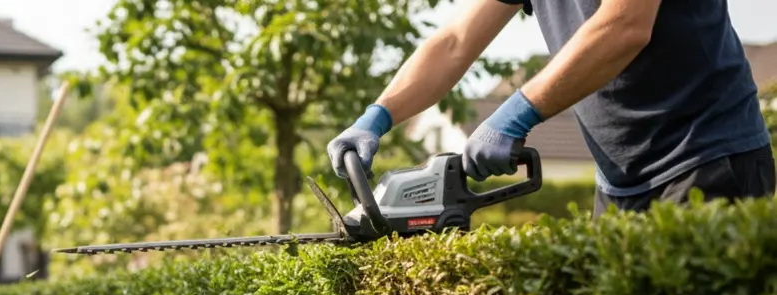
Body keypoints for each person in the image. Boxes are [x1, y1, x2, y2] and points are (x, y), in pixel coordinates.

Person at [327, 0, 775, 215]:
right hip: (619, 183)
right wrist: (378, 114)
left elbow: (624, 26)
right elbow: (454, 43)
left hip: (710, 159)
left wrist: (517, 111)